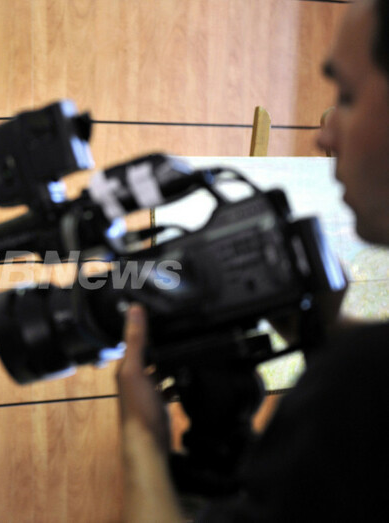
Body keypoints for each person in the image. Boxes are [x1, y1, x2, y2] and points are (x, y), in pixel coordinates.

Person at [117, 1, 389, 521]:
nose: (324, 136)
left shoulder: (360, 383)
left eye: (348, 95)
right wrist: (322, 330)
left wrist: (140, 439)